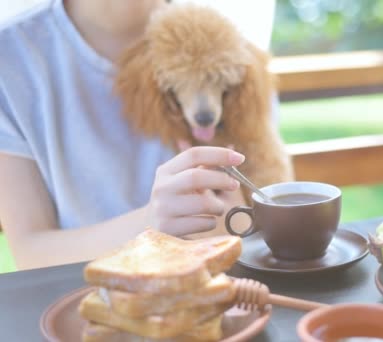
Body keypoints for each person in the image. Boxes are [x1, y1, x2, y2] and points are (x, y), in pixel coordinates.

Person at [0, 0, 250, 270]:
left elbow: (251, 216)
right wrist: (149, 224)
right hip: (82, 302)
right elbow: (30, 252)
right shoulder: (13, 59)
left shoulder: (222, 42)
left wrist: (241, 225)